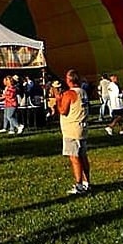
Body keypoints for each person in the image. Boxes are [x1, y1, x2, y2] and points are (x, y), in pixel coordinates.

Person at [52, 68, 91, 196]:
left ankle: (79, 184)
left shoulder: (69, 94)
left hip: (72, 129)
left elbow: (63, 110)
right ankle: (87, 182)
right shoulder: (83, 92)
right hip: (82, 127)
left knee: (75, 158)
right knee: (83, 156)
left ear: (69, 80)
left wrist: (58, 99)